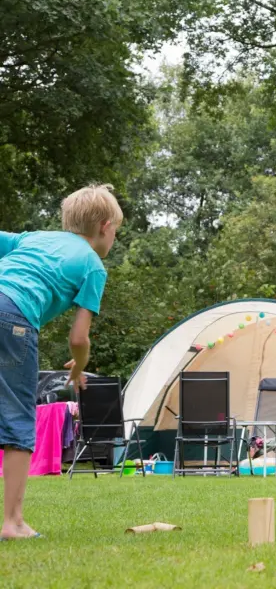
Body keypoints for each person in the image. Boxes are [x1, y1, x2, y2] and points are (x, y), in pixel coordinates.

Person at [0, 184, 121, 540]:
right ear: (104, 225)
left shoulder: (37, 238)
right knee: (17, 416)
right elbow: (79, 339)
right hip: (13, 319)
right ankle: (13, 522)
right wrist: (80, 368)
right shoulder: (93, 267)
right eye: (116, 229)